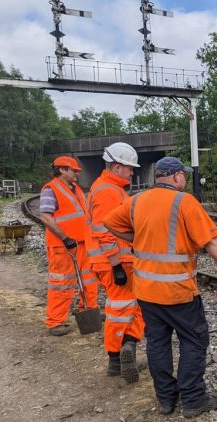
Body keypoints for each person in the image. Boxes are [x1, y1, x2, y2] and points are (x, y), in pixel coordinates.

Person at [105, 157, 217, 418]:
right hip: (177, 291)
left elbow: (110, 223)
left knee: (157, 343)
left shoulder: (136, 200)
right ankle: (193, 399)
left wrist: (134, 239)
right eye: (184, 176)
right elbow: (210, 242)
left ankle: (166, 399)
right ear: (177, 176)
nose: (185, 180)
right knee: (193, 340)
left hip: (146, 290)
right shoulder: (185, 201)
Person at [84, 142, 145, 383]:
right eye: (129, 168)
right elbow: (104, 231)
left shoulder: (110, 188)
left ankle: (127, 348)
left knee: (130, 306)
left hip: (114, 260)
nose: (132, 172)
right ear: (117, 166)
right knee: (120, 308)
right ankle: (116, 359)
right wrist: (116, 264)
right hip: (115, 261)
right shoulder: (108, 191)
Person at [39, 156, 99, 336]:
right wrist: (65, 238)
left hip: (82, 243)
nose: (77, 174)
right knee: (62, 283)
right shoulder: (51, 189)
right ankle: (55, 321)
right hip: (63, 246)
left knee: (88, 279)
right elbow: (45, 217)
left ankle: (89, 310)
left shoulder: (76, 189)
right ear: (62, 170)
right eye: (74, 171)